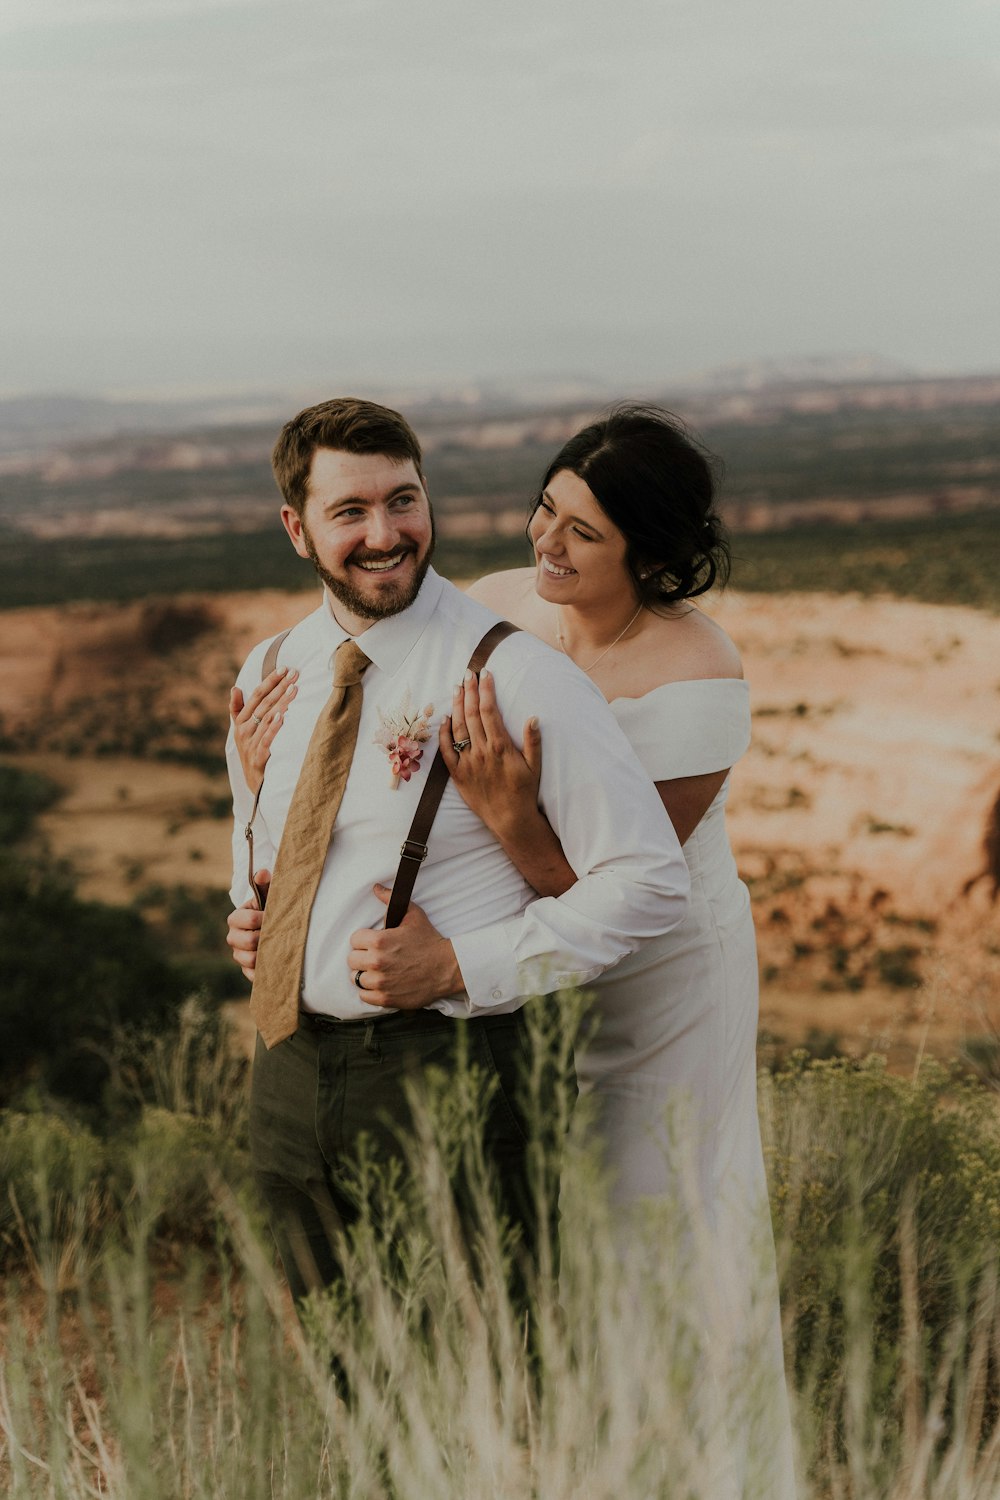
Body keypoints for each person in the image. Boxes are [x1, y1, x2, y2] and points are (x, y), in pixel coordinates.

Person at [224, 396, 689, 1335]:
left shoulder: (513, 674)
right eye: (350, 512)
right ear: (297, 529)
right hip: (284, 1073)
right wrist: (255, 920)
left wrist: (458, 967)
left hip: (445, 1075)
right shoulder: (270, 670)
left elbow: (648, 883)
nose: (386, 534)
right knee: (340, 1373)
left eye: (403, 501)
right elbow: (262, 853)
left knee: (474, 1382)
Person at [440, 404, 797, 1497]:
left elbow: (616, 893)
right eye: (544, 510)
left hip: (660, 976)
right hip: (528, 963)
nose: (546, 543)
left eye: (581, 534)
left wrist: (505, 815)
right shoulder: (499, 604)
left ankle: (697, 1468)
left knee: (662, 1215)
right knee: (553, 1217)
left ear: (646, 550)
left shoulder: (697, 674)